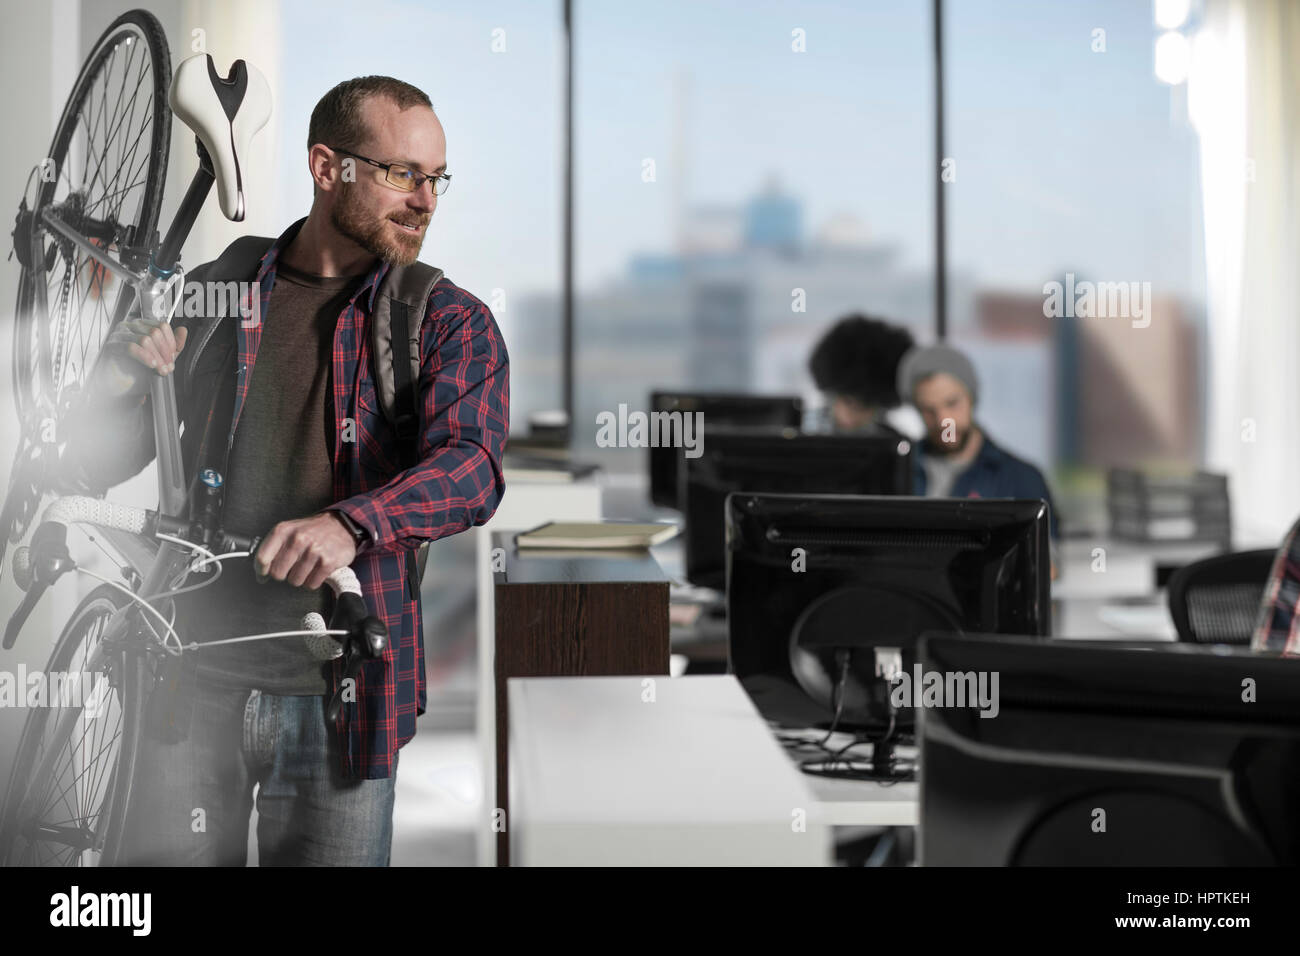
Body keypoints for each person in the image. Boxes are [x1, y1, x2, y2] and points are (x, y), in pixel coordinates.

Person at [64, 76, 510, 865]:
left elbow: (472, 466)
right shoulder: (211, 294)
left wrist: (352, 524)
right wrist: (125, 380)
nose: (425, 199)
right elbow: (99, 461)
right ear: (326, 166)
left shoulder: (447, 321)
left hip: (343, 700)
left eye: (435, 178)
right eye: (402, 174)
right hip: (185, 680)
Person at [896, 343, 1059, 542]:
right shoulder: (895, 470)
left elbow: (1047, 556)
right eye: (928, 409)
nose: (943, 420)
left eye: (952, 403)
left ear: (971, 398)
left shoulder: (1021, 478)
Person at [807, 313, 915, 437]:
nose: (851, 415)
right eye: (848, 401)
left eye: (865, 405)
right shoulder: (807, 436)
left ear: (881, 407)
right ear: (832, 394)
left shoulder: (895, 445)